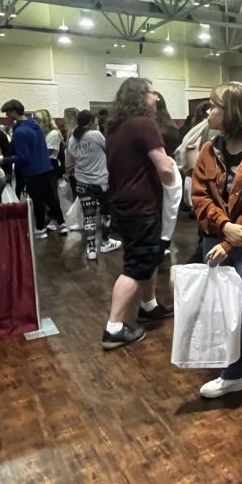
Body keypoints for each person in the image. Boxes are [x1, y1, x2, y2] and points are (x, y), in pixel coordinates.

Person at [191, 82, 242, 398]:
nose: (208, 111)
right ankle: (233, 373)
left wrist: (229, 239)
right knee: (222, 312)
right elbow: (199, 195)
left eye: (214, 106)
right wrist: (223, 225)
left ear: (232, 112)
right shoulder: (207, 150)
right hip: (213, 239)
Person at [101, 78, 176, 349]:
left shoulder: (115, 126)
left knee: (148, 256)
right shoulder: (145, 124)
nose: (156, 97)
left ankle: (149, 306)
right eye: (152, 92)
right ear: (142, 96)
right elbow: (165, 169)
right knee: (136, 266)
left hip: (123, 203)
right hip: (142, 205)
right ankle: (114, 327)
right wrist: (172, 181)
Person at [0, 100, 67, 237]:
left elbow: (23, 157)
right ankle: (61, 224)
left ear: (13, 112)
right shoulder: (35, 125)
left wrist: (3, 159)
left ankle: (40, 229)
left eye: (7, 113)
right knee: (51, 199)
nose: (6, 116)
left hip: (32, 171)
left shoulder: (20, 132)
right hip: (46, 167)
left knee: (38, 200)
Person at [68, 110, 121, 260]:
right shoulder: (95, 135)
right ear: (91, 121)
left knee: (89, 215)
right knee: (106, 212)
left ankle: (91, 248)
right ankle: (104, 241)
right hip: (101, 181)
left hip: (82, 182)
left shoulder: (72, 140)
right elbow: (109, 151)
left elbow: (72, 158)